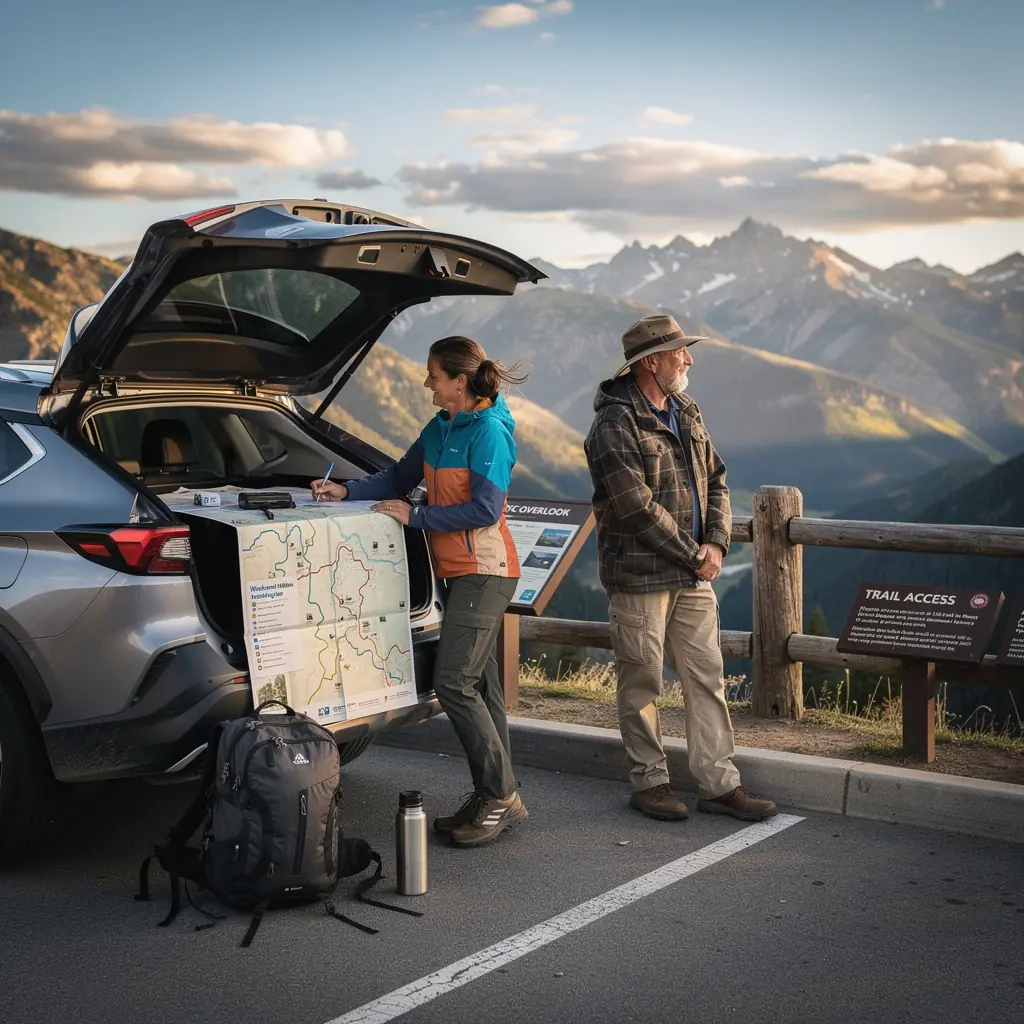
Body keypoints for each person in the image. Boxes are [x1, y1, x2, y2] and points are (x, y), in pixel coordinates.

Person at [311, 336, 529, 848]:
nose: (426, 382)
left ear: (460, 380)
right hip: (455, 573)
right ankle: (494, 793)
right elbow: (399, 475)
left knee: (453, 683)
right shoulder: (441, 425)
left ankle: (500, 797)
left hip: (486, 571)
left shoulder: (491, 433)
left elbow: (485, 511)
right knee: (480, 686)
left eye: (434, 374)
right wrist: (347, 490)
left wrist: (419, 515)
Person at [583, 314, 777, 822]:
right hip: (641, 576)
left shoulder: (685, 409)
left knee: (706, 677)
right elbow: (635, 507)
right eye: (679, 351)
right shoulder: (613, 423)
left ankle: (718, 785)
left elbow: (716, 477)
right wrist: (697, 555)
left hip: (692, 573)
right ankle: (650, 781)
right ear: (651, 362)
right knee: (642, 680)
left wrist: (715, 541)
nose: (688, 358)